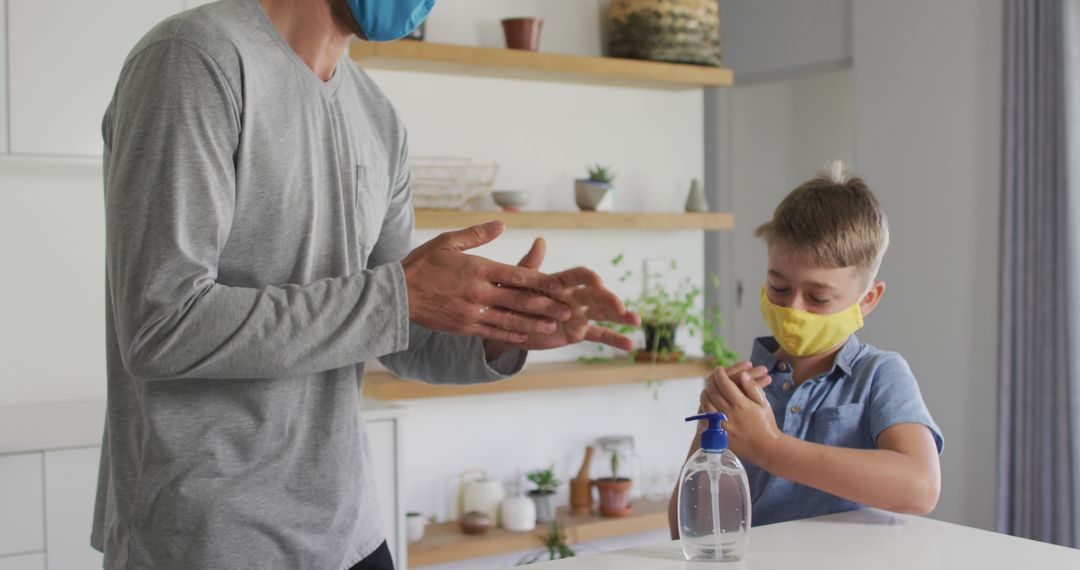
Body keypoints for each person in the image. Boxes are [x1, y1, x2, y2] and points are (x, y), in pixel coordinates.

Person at [93, 0, 640, 568]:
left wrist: (506, 328)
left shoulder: (378, 118)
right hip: (212, 539)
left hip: (347, 530)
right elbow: (161, 325)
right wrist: (399, 296)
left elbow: (397, 329)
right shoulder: (194, 59)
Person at [668, 162, 943, 534]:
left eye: (818, 297)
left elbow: (921, 488)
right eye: (779, 288)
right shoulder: (746, 391)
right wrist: (710, 430)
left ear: (867, 299)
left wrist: (770, 447)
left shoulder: (878, 375)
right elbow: (689, 527)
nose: (794, 308)